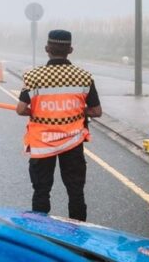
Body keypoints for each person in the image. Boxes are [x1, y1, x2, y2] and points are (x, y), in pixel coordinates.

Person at [15, 29, 102, 221]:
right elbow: (96, 111)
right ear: (70, 50)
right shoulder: (84, 77)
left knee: (41, 191)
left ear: (47, 49)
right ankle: (78, 235)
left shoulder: (33, 76)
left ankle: (42, 234)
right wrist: (76, 111)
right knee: (76, 192)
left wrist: (40, 112)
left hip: (42, 143)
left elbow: (21, 109)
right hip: (72, 143)